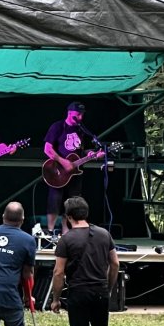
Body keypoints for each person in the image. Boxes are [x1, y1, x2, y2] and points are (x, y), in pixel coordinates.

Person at [50, 196, 121, 326]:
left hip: (78, 292)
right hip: (100, 290)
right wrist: (109, 286)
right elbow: (115, 263)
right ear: (86, 213)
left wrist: (56, 299)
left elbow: (58, 272)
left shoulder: (66, 239)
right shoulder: (104, 234)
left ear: (68, 217)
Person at [43, 101, 105, 237]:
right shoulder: (58, 126)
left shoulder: (81, 130)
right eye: (78, 114)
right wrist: (62, 161)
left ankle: (67, 233)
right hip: (57, 170)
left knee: (72, 202)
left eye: (82, 115)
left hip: (75, 172)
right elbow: (47, 148)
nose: (80, 118)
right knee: (55, 200)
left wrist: (92, 154)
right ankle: (49, 231)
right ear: (69, 113)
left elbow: (79, 151)